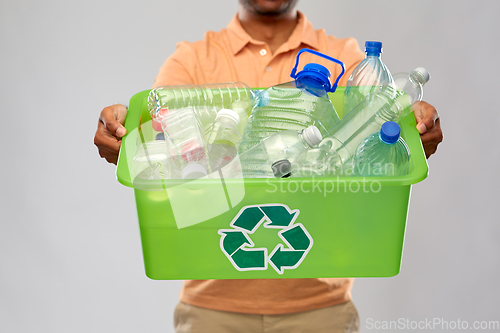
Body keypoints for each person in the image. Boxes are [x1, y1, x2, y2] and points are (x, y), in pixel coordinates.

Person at [94, 1, 443, 332]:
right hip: (211, 310)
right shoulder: (193, 59)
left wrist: (409, 132)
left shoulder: (345, 56)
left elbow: (377, 134)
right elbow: (156, 137)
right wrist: (119, 135)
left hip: (321, 308)